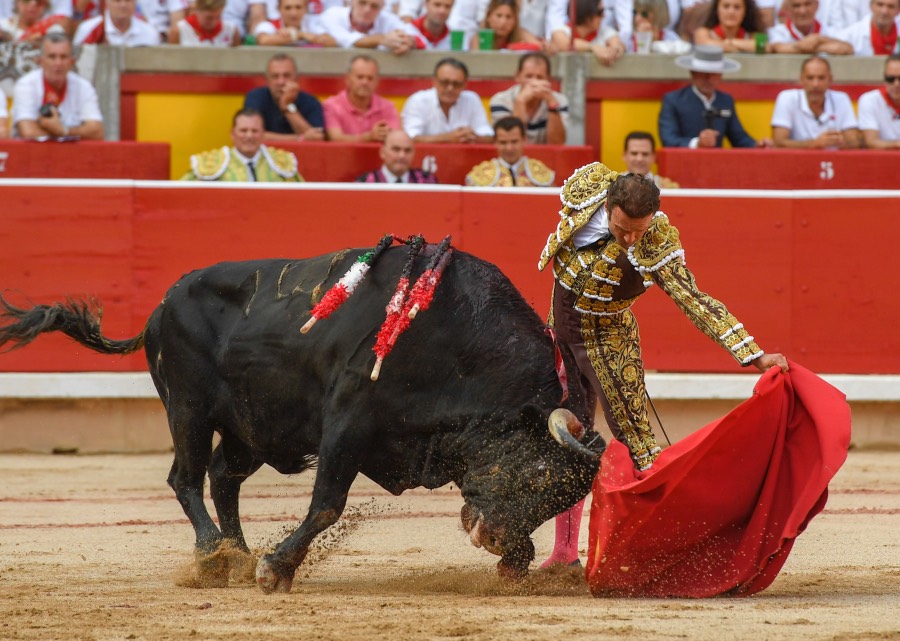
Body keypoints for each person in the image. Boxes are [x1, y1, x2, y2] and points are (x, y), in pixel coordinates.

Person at [537, 165, 788, 567]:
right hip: (560, 336)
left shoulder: (656, 242)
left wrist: (753, 354)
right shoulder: (585, 192)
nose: (632, 238)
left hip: (610, 342)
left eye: (639, 229)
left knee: (639, 448)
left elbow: (693, 299)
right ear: (608, 206)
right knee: (560, 441)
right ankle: (565, 551)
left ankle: (663, 549)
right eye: (623, 229)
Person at [658, 45, 765, 148]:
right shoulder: (674, 100)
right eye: (703, 73)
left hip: (717, 163)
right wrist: (697, 143)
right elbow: (669, 140)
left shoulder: (725, 100)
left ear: (720, 75)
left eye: (713, 74)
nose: (708, 78)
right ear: (693, 73)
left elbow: (739, 137)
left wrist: (757, 145)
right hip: (684, 163)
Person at [12, 33, 104, 140]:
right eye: (52, 57)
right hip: (31, 154)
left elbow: (97, 131)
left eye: (63, 57)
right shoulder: (26, 85)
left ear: (72, 62)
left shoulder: (84, 87)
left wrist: (63, 130)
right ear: (40, 61)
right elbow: (27, 132)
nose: (58, 63)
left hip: (72, 154)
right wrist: (65, 132)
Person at [181, 108, 303, 181]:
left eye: (255, 131)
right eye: (243, 130)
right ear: (232, 134)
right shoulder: (210, 164)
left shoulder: (281, 162)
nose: (249, 136)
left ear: (263, 134)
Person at [771, 56, 860, 149]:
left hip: (834, 161)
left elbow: (854, 143)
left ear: (830, 80)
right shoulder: (787, 98)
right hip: (797, 162)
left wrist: (840, 141)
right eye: (810, 78)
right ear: (801, 79)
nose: (815, 84)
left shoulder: (841, 99)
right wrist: (815, 144)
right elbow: (778, 142)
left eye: (821, 78)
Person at [400, 57, 494, 143]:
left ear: (465, 84)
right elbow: (409, 138)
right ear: (434, 81)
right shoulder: (418, 100)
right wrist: (448, 138)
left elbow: (489, 136)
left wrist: (474, 137)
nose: (450, 88)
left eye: (456, 84)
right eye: (445, 83)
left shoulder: (472, 99)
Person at [243, 53, 326, 142]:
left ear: (297, 78)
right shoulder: (255, 97)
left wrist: (288, 107)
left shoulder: (311, 102)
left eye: (286, 76)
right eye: (275, 76)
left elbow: (317, 139)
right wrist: (299, 139)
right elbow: (251, 135)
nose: (281, 82)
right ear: (267, 80)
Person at [489, 52, 567, 145]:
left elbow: (557, 144)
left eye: (540, 77)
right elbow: (510, 143)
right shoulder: (500, 101)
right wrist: (520, 102)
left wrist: (552, 106)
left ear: (548, 79)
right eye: (529, 76)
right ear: (518, 76)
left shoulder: (560, 101)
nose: (534, 82)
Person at [323, 54, 400, 142]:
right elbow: (336, 139)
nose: (365, 82)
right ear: (347, 79)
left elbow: (396, 139)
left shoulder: (387, 107)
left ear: (377, 81)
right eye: (360, 77)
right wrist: (369, 137)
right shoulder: (331, 106)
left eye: (370, 78)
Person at [465, 116, 555, 187]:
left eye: (514, 142)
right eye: (503, 142)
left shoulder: (542, 173)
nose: (509, 148)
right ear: (495, 142)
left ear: (524, 140)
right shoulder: (480, 175)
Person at [318, 0, 419, 54]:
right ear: (352, 2)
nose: (367, 10)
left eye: (374, 6)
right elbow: (346, 40)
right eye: (362, 2)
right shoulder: (332, 15)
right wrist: (382, 39)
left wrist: (408, 41)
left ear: (382, 7)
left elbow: (415, 36)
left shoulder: (387, 19)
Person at [549, 0, 625, 66]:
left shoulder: (605, 31)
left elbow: (617, 44)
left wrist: (616, 50)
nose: (604, 16)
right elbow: (565, 44)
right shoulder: (562, 31)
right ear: (585, 13)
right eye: (599, 12)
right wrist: (593, 48)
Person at [767, 0, 853, 54]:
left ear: (817, 6)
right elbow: (776, 48)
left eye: (807, 4)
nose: (803, 11)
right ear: (788, 9)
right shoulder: (777, 32)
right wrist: (819, 46)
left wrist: (819, 39)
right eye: (797, 6)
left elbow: (847, 49)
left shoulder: (828, 31)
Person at [355, 128, 438, 182]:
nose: (402, 155)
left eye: (407, 150)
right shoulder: (365, 183)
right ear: (382, 152)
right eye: (396, 149)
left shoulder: (427, 181)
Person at [693, 0, 770, 53]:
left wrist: (731, 42)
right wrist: (744, 46)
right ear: (717, 9)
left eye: (737, 7)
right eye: (726, 6)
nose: (731, 12)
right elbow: (705, 45)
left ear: (746, 11)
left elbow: (765, 46)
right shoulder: (704, 32)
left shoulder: (751, 34)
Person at [858, 54, 900, 150]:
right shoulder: (869, 100)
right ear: (884, 79)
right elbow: (871, 142)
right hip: (880, 161)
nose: (896, 84)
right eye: (890, 79)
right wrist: (897, 144)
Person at [73, 0, 161, 45]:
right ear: (107, 2)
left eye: (128, 0)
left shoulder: (150, 33)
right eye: (117, 0)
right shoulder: (88, 29)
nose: (123, 5)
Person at [252, 0, 337, 46]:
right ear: (278, 9)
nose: (293, 13)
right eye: (288, 8)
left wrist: (299, 34)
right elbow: (263, 40)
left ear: (306, 8)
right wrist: (298, 35)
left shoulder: (312, 23)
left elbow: (331, 42)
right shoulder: (270, 24)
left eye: (298, 7)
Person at [469, 0, 542, 50]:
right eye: (499, 16)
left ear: (515, 21)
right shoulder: (479, 39)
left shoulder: (521, 34)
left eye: (508, 17)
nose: (503, 22)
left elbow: (540, 47)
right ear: (488, 17)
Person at [168, 0, 241, 45]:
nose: (214, 22)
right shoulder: (178, 31)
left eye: (218, 17)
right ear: (197, 11)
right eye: (209, 18)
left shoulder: (232, 31)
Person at [0, 0, 66, 45]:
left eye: (39, 1)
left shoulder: (54, 30)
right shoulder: (2, 26)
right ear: (17, 2)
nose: (33, 4)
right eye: (27, 0)